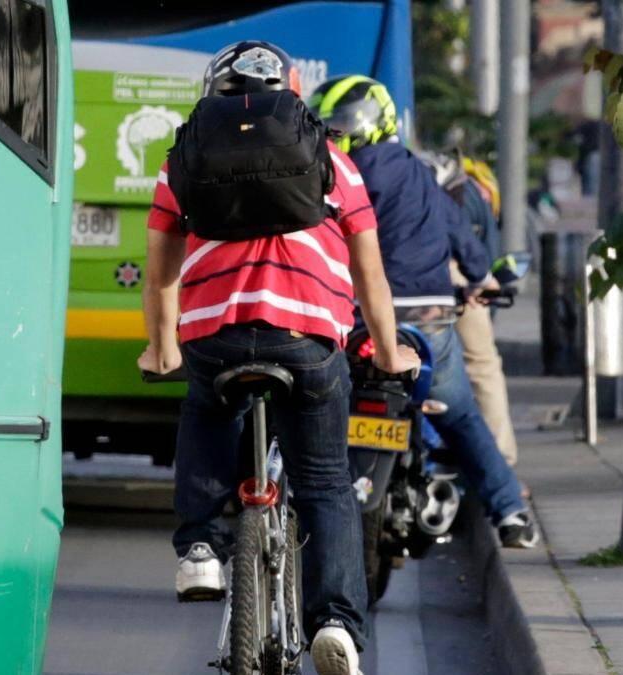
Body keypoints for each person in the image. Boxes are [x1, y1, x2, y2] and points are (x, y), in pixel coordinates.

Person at [138, 41, 418, 675]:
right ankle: (338, 626)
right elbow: (369, 272)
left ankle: (202, 550)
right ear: (290, 90)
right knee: (324, 482)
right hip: (310, 335)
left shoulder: (180, 158)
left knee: (207, 409)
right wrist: (392, 349)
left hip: (218, 333)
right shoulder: (332, 160)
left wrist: (161, 350)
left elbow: (160, 277)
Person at [310, 75, 539, 548]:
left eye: (337, 129)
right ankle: (511, 512)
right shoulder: (417, 172)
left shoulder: (335, 176)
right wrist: (481, 279)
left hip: (353, 318)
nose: (333, 138)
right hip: (427, 320)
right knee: (458, 416)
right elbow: (459, 231)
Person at [418, 149, 520, 466]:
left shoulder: (409, 168)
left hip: (396, 274)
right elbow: (482, 256)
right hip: (455, 272)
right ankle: (501, 462)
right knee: (482, 365)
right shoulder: (472, 192)